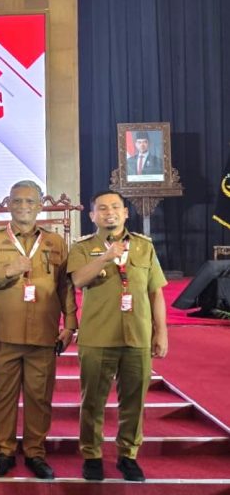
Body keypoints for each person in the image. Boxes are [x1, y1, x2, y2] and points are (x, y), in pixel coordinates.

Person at [67, 190, 168, 482]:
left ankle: (128, 455)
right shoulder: (83, 247)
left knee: (134, 401)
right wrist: (106, 258)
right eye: (102, 208)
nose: (109, 212)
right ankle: (92, 455)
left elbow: (155, 291)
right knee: (92, 401)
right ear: (92, 216)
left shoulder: (143, 246)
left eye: (114, 207)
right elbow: (78, 280)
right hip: (98, 335)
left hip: (137, 334)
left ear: (125, 212)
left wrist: (161, 332)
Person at [0, 181, 77, 479]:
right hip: (3, 334)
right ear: (9, 204)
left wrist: (70, 323)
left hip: (43, 334)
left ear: (39, 206)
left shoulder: (54, 241)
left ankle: (35, 451)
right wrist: (9, 271)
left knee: (39, 397)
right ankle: (4, 451)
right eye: (18, 201)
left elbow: (65, 285)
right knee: (3, 396)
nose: (23, 206)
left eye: (30, 201)